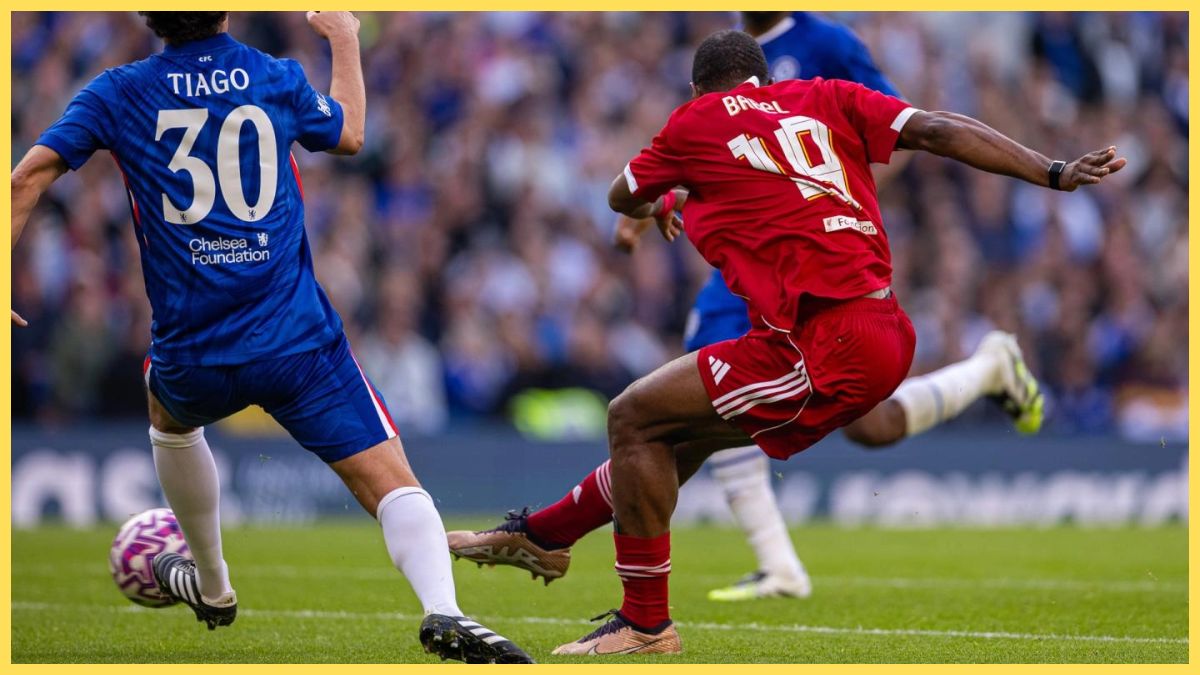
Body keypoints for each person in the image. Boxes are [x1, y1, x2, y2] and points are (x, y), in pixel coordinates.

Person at [500, 29, 1126, 656]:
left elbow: (619, 195)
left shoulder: (700, 118)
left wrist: (665, 194)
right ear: (766, 79)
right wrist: (1053, 170)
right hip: (878, 321)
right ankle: (549, 535)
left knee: (638, 418)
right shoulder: (827, 94)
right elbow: (934, 127)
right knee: (687, 432)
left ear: (697, 88)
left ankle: (654, 615)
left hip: (822, 334)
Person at [10, 11, 532, 664]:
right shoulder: (273, 75)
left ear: (149, 17)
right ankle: (444, 609)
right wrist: (343, 36)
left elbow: (25, 178)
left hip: (193, 352)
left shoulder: (117, 91)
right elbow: (350, 132)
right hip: (297, 344)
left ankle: (214, 582)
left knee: (167, 416)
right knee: (395, 484)